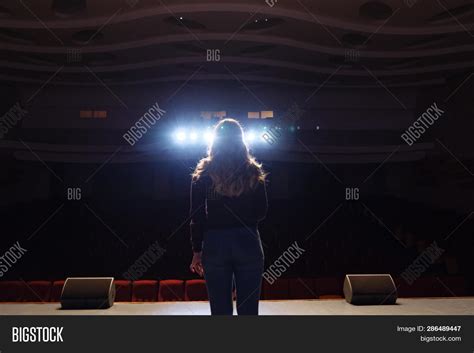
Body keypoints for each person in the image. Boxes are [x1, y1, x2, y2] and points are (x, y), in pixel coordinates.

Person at [189, 118, 268, 315]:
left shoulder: (204, 172)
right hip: (247, 240)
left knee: (220, 310)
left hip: (215, 243)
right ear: (241, 140)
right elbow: (262, 211)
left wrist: (196, 251)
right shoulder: (252, 171)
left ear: (215, 140)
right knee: (249, 311)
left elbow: (196, 216)